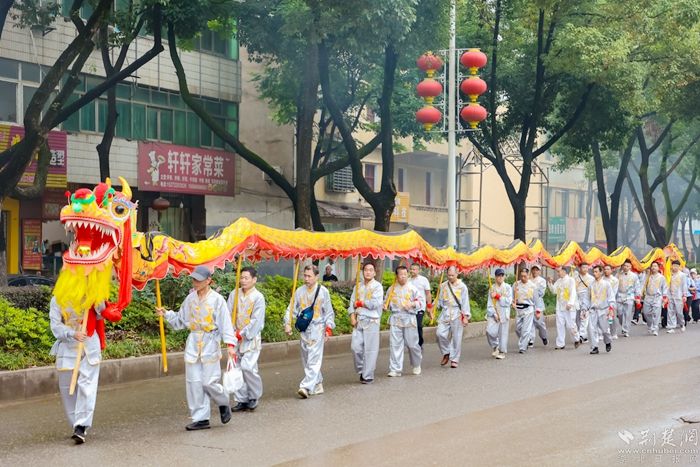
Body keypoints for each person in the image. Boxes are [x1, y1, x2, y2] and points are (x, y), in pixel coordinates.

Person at [156, 265, 237, 431]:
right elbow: (180, 320)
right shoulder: (190, 299)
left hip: (210, 342)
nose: (195, 282)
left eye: (199, 280)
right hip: (193, 343)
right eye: (194, 279)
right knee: (194, 383)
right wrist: (166, 314)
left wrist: (230, 345)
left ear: (208, 281)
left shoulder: (217, 300)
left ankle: (223, 402)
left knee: (209, 382)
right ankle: (201, 418)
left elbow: (225, 323)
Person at [49, 299, 116, 444]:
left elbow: (102, 313)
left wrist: (96, 297)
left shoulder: (93, 295)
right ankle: (75, 423)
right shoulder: (57, 299)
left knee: (87, 386)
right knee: (68, 389)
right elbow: (55, 325)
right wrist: (72, 333)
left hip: (89, 346)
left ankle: (81, 426)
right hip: (67, 347)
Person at [284, 265, 335, 399]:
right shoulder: (299, 291)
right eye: (305, 276)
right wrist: (288, 323)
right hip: (304, 328)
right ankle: (317, 384)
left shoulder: (323, 292)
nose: (306, 279)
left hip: (318, 328)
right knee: (307, 358)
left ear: (316, 277)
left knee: (314, 358)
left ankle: (305, 386)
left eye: (309, 276)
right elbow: (291, 308)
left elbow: (328, 312)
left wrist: (328, 328)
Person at [226, 266, 265, 412]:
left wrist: (242, 333)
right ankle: (241, 399)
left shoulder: (258, 297)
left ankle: (254, 396)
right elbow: (228, 314)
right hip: (235, 337)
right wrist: (230, 332)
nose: (243, 280)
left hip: (250, 338)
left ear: (254, 280)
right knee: (236, 368)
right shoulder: (234, 294)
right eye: (241, 278)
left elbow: (257, 321)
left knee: (248, 367)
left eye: (246, 278)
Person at [385, 265, 424, 376]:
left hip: (409, 318)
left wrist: (412, 304)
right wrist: (385, 306)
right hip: (396, 319)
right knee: (395, 344)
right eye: (400, 274)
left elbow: (420, 302)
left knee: (412, 344)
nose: (403, 276)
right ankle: (395, 369)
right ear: (396, 276)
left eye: (405, 274)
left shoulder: (413, 288)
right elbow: (386, 302)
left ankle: (416, 364)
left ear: (407, 275)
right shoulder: (391, 289)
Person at [349, 262, 384, 384]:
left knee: (370, 349)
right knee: (355, 347)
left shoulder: (377, 287)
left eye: (370, 270)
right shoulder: (357, 286)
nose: (368, 272)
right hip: (359, 319)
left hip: (372, 320)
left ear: (374, 273)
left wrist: (361, 303)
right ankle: (361, 370)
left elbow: (375, 304)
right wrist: (352, 316)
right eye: (366, 270)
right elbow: (351, 303)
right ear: (362, 272)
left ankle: (367, 375)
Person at [436, 266, 470, 368]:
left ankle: (454, 359)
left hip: (457, 313)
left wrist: (465, 316)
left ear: (457, 273)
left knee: (456, 337)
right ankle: (446, 352)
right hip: (445, 313)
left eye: (452, 275)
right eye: (449, 275)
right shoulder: (443, 285)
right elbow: (439, 300)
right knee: (439, 334)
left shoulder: (462, 287)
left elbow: (465, 302)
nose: (450, 277)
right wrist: (433, 307)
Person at [548, 266, 579, 349]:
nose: (558, 273)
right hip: (560, 306)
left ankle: (576, 339)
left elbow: (573, 292)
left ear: (564, 271)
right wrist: (550, 283)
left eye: (559, 271)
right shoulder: (558, 281)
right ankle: (560, 344)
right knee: (560, 325)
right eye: (557, 271)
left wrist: (570, 303)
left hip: (569, 307)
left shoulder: (571, 280)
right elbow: (554, 291)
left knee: (570, 325)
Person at [587, 265, 615, 354]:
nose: (594, 273)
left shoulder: (606, 284)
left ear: (601, 272)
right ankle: (594, 347)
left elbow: (611, 297)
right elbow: (587, 298)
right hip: (593, 310)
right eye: (593, 272)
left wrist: (611, 308)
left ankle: (608, 342)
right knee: (592, 329)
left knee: (604, 330)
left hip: (604, 310)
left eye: (596, 272)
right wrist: (584, 308)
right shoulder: (591, 285)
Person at [486, 268, 512, 359]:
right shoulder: (492, 288)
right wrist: (494, 314)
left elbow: (508, 301)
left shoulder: (508, 287)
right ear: (495, 277)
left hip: (504, 312)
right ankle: (495, 346)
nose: (500, 277)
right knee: (489, 331)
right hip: (494, 312)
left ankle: (502, 351)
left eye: (502, 275)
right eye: (498, 276)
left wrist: (498, 296)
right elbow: (489, 303)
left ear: (504, 277)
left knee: (503, 333)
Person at [640, 262, 668, 336]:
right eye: (652, 266)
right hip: (648, 297)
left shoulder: (661, 277)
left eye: (655, 266)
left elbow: (664, 288)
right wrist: (640, 294)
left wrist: (664, 297)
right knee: (646, 313)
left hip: (657, 297)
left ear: (658, 268)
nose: (653, 267)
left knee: (656, 313)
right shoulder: (647, 277)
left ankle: (655, 328)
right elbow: (642, 285)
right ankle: (650, 325)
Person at [409, 263, 434, 347]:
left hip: (420, 307)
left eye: (414, 269)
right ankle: (413, 343)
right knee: (411, 326)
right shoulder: (408, 281)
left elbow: (428, 294)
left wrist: (429, 306)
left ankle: (419, 343)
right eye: (411, 269)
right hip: (410, 307)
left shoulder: (423, 280)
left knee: (418, 325)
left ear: (419, 270)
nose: (412, 271)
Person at [513, 268, 537, 354]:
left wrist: (537, 311)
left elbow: (536, 300)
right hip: (518, 309)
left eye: (525, 276)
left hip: (528, 309)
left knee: (525, 330)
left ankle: (522, 347)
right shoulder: (516, 284)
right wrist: (513, 302)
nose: (523, 278)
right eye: (521, 276)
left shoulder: (533, 286)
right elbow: (512, 297)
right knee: (517, 328)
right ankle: (526, 339)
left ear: (528, 275)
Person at [615, 259, 640, 338]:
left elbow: (637, 287)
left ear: (630, 267)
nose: (626, 267)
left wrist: (637, 297)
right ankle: (623, 325)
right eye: (624, 266)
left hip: (629, 296)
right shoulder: (618, 274)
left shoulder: (634, 276)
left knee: (627, 314)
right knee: (619, 313)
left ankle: (626, 330)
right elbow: (614, 284)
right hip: (620, 295)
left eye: (627, 266)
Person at [667, 260, 688, 333]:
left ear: (679, 267)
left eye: (677, 266)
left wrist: (684, 295)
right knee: (670, 311)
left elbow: (684, 285)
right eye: (674, 266)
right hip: (670, 295)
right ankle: (671, 327)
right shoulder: (669, 274)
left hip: (679, 295)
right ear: (672, 266)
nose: (675, 267)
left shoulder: (682, 275)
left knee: (679, 312)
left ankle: (682, 324)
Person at [529, 265, 548, 347]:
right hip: (529, 304)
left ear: (539, 271)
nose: (535, 271)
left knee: (540, 323)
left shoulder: (542, 281)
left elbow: (541, 293)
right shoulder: (528, 280)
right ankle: (531, 340)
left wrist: (532, 289)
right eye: (533, 270)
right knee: (530, 323)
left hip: (538, 304)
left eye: (537, 270)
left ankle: (544, 336)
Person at [574, 263, 593, 342]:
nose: (585, 269)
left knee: (584, 317)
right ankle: (582, 335)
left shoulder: (591, 278)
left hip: (586, 299)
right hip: (577, 298)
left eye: (586, 267)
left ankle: (581, 335)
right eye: (583, 267)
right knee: (577, 318)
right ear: (579, 268)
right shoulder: (575, 277)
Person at [602, 265, 620, 339]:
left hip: (611, 301)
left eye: (608, 269)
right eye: (605, 269)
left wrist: (609, 300)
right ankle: (604, 333)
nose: (606, 270)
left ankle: (614, 333)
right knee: (603, 318)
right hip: (602, 301)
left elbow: (614, 291)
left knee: (612, 317)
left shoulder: (615, 280)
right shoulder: (601, 279)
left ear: (611, 270)